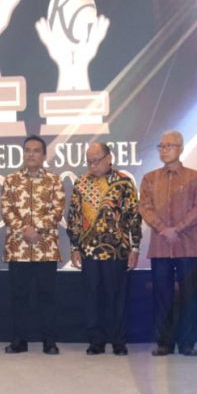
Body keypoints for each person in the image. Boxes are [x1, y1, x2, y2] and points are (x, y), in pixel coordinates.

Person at [67, 142, 142, 356]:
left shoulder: (124, 182)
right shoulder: (81, 182)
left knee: (117, 297)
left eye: (96, 160)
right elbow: (74, 217)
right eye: (89, 161)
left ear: (109, 158)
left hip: (117, 250)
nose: (92, 165)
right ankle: (96, 341)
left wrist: (135, 247)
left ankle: (118, 340)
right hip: (89, 251)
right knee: (92, 297)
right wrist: (74, 247)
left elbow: (134, 217)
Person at [139, 131, 197, 357]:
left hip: (188, 245)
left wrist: (177, 229)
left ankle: (187, 343)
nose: (165, 150)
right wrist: (163, 229)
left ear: (181, 148)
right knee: (162, 296)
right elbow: (145, 208)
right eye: (161, 146)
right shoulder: (149, 178)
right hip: (160, 246)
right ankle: (164, 343)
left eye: (170, 145)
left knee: (189, 296)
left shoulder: (195, 177)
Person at [1, 135, 66, 355]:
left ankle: (49, 341)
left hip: (45, 247)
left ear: (44, 155)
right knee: (19, 296)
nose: (31, 154)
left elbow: (57, 210)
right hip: (17, 248)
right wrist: (24, 230)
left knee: (47, 295)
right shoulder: (11, 180)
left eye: (36, 151)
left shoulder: (54, 180)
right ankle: (19, 341)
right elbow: (6, 209)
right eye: (27, 150)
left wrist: (37, 229)